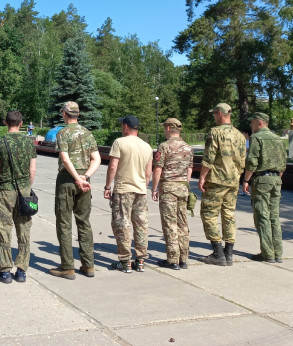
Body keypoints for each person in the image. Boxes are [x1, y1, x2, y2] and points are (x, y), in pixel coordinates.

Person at [50, 101, 101, 280]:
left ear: (64, 114)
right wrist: (85, 177)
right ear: (77, 115)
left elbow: (64, 158)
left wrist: (77, 178)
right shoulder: (87, 133)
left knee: (64, 223)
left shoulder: (63, 133)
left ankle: (67, 267)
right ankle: (88, 265)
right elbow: (97, 159)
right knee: (84, 222)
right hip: (84, 181)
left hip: (67, 180)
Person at [0, 110, 37, 284]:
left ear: (5, 122)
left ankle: (5, 269)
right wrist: (27, 187)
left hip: (5, 191)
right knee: (24, 228)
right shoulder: (28, 142)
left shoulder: (0, 142)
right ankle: (22, 269)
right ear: (22, 123)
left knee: (4, 228)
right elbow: (32, 170)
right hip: (24, 190)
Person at [199, 102, 246, 266]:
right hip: (233, 180)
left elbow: (208, 158)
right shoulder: (240, 135)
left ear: (219, 113)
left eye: (214, 113)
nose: (213, 116)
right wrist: (237, 177)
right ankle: (229, 253)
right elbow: (242, 161)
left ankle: (218, 253)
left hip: (217, 180)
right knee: (229, 214)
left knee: (209, 214)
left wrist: (202, 177)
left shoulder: (215, 132)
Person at [105, 115, 153, 273]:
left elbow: (113, 166)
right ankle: (141, 260)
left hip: (123, 190)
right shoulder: (146, 146)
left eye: (121, 125)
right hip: (140, 190)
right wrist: (143, 186)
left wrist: (107, 186)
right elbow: (148, 172)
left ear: (126, 126)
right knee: (141, 225)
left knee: (122, 224)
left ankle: (125, 261)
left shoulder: (120, 142)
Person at [242, 112, 287, 263]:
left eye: (252, 122)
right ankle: (278, 252)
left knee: (262, 216)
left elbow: (252, 161)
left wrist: (246, 180)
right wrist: (277, 177)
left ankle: (267, 253)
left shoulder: (257, 137)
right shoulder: (278, 139)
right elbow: (283, 162)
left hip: (261, 179)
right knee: (274, 216)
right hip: (276, 180)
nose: (250, 125)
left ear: (259, 122)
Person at [151, 117, 193, 270]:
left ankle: (172, 259)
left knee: (170, 224)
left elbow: (157, 169)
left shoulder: (164, 146)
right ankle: (184, 258)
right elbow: (189, 168)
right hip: (182, 188)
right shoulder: (188, 147)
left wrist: (154, 188)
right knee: (182, 223)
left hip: (168, 188)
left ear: (168, 128)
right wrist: (185, 184)